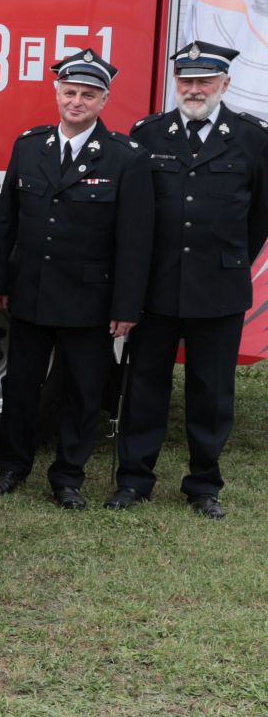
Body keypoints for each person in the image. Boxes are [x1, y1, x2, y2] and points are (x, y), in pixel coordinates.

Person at [0, 50, 151, 508]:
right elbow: (6, 221)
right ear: (57, 93)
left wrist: (125, 307)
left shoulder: (124, 158)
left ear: (104, 100)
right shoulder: (30, 145)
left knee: (82, 390)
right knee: (20, 385)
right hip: (32, 291)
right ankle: (12, 466)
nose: (77, 101)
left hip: (89, 298)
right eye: (70, 92)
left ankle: (67, 477)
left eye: (88, 95)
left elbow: (135, 242)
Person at [112, 41, 268, 519]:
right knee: (145, 386)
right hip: (157, 286)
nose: (194, 89)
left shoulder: (252, 138)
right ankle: (135, 481)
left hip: (217, 288)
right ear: (175, 82)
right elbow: (136, 214)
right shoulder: (149, 134)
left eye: (204, 81)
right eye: (186, 80)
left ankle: (204, 484)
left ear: (225, 83)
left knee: (212, 391)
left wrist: (226, 259)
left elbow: (258, 217)